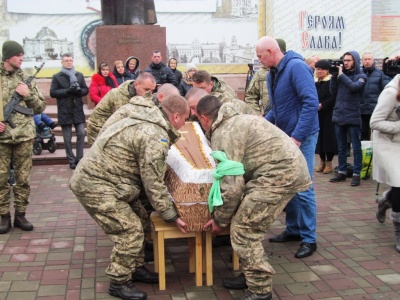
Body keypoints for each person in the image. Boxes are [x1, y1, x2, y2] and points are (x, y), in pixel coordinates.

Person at [69, 94, 190, 300]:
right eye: (186, 119)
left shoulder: (146, 117)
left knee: (142, 219)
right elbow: (153, 182)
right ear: (176, 116)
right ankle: (119, 281)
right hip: (97, 185)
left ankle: (135, 267)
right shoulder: (155, 134)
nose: (185, 123)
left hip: (114, 181)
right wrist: (171, 215)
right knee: (129, 231)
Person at [197, 95, 311, 300]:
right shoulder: (236, 116)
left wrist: (220, 220)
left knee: (244, 230)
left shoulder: (224, 132)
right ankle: (251, 274)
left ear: (204, 118)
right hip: (282, 169)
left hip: (278, 175)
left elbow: (232, 186)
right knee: (246, 223)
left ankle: (260, 290)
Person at [256, 36, 319, 258]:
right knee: (287, 184)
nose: (258, 60)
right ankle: (293, 230)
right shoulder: (273, 73)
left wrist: (298, 137)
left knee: (303, 185)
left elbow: (311, 103)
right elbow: (279, 108)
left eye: (260, 56)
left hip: (303, 136)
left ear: (271, 51)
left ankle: (309, 239)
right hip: (287, 136)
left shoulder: (297, 67)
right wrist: (261, 121)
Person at [0, 40, 46, 234]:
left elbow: (40, 107)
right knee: (1, 178)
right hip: (2, 137)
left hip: (24, 136)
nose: (21, 58)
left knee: (22, 179)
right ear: (7, 57)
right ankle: (3, 216)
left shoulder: (27, 78)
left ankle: (20, 214)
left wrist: (27, 95)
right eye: (18, 55)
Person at [370, 75, 400, 253]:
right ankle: (398, 231)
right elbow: (374, 122)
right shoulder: (391, 93)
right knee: (399, 183)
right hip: (387, 144)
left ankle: (386, 200)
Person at [329, 51, 367, 187]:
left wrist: (341, 75)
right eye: (344, 60)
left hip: (353, 116)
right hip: (339, 114)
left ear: (355, 61)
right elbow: (333, 93)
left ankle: (356, 174)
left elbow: (354, 87)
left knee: (356, 148)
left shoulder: (361, 76)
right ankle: (342, 171)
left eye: (349, 60)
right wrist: (334, 77)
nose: (346, 63)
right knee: (341, 147)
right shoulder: (340, 76)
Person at [86, 72, 156, 145]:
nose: (149, 94)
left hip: (112, 131)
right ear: (136, 85)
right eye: (146, 89)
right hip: (98, 131)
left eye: (152, 91)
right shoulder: (119, 96)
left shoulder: (139, 96)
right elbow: (125, 123)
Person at [50, 53, 89, 169]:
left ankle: (80, 158)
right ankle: (71, 160)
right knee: (67, 137)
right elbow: (53, 93)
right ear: (62, 62)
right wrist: (67, 91)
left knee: (81, 133)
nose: (69, 62)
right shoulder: (57, 76)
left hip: (77, 109)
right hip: (64, 110)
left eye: (71, 60)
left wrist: (78, 91)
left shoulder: (79, 75)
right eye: (66, 60)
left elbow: (85, 90)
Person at [314, 59, 337, 174]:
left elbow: (333, 97)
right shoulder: (315, 82)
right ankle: (322, 161)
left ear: (327, 71)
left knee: (328, 138)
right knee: (319, 138)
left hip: (328, 113)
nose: (320, 71)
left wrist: (322, 105)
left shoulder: (331, 81)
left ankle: (329, 162)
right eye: (318, 69)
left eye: (322, 69)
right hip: (317, 114)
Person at [361, 52, 391, 141]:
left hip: (375, 110)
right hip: (361, 110)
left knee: (377, 134)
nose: (367, 61)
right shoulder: (358, 74)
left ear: (373, 61)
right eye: (365, 59)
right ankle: (365, 153)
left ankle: (376, 153)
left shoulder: (380, 74)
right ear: (362, 61)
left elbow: (385, 92)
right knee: (364, 133)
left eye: (369, 59)